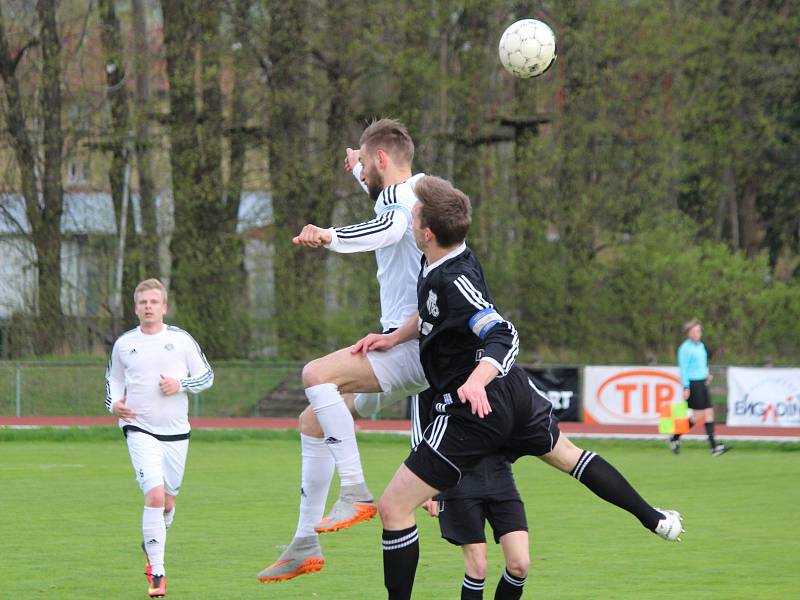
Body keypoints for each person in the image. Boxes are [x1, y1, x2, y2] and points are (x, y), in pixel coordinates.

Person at [354, 176, 684, 600]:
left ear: (427, 232)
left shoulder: (454, 279)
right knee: (571, 458)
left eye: (414, 215)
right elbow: (433, 314)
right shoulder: (438, 260)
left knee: (394, 507)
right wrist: (394, 337)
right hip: (514, 398)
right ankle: (655, 519)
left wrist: (475, 381)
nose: (409, 218)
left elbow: (502, 333)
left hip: (478, 407)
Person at [257, 118, 429, 582]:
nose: (365, 179)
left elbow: (388, 229)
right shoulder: (422, 188)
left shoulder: (397, 202)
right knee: (313, 419)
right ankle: (303, 544)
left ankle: (355, 490)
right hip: (417, 345)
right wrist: (357, 167)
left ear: (382, 160)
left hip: (411, 344)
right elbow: (383, 191)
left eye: (366, 167)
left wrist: (329, 235)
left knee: (316, 375)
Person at [105, 278, 214, 598]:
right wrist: (115, 405)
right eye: (143, 303)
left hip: (177, 431)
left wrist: (180, 384)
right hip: (138, 428)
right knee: (153, 496)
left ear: (164, 307)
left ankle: (151, 541)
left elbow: (207, 376)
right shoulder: (124, 343)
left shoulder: (181, 340)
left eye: (154, 302)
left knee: (167, 503)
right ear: (136, 308)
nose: (148, 307)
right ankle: (157, 571)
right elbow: (113, 379)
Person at [414, 389, 529, 600]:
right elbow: (420, 431)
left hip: (500, 475)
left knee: (519, 565)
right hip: (457, 478)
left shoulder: (498, 372)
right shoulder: (437, 374)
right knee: (477, 567)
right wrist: (425, 488)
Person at [671, 318, 730, 456]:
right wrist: (686, 387)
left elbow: (702, 363)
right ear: (689, 333)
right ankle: (675, 437)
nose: (697, 333)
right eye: (694, 331)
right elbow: (684, 369)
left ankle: (714, 447)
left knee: (708, 412)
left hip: (702, 382)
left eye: (698, 330)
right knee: (698, 415)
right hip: (693, 383)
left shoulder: (701, 345)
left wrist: (707, 374)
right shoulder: (685, 348)